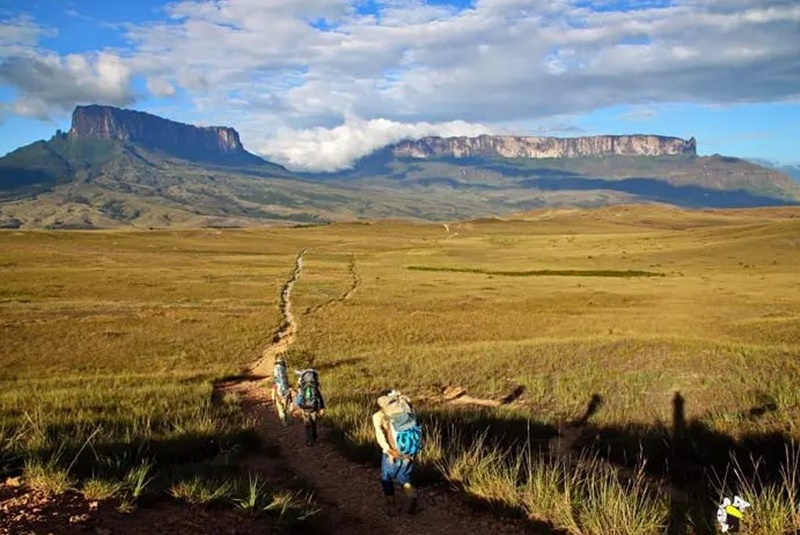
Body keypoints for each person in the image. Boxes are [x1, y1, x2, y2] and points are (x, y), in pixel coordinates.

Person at [373, 390, 423, 515]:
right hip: (409, 452)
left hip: (392, 453)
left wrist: (387, 449)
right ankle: (411, 496)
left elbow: (380, 435)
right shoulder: (407, 409)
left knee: (386, 477)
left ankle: (391, 507)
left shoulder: (378, 415)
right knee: (404, 476)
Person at [294, 368, 325, 446]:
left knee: (307, 425)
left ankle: (309, 441)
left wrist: (299, 406)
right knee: (314, 423)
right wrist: (321, 407)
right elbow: (319, 397)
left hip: (305, 408)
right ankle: (314, 438)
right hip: (314, 407)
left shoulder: (302, 386)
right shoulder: (314, 386)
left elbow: (299, 397)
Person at [271, 355, 293, 426]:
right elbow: (287, 380)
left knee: (280, 408)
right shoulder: (284, 369)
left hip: (278, 390)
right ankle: (287, 419)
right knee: (285, 405)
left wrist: (273, 397)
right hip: (286, 389)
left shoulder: (275, 369)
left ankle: (284, 421)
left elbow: (275, 381)